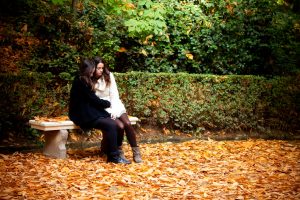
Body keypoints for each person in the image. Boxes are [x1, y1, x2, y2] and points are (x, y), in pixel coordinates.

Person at [68, 58, 130, 164]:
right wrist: (107, 104)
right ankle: (113, 157)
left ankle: (113, 154)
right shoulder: (81, 80)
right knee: (111, 125)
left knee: (112, 123)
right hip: (81, 113)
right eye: (92, 70)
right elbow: (93, 99)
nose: (94, 72)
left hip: (89, 110)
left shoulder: (85, 79)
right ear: (87, 70)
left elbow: (92, 100)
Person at [93, 56, 143, 163]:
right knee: (119, 126)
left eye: (102, 68)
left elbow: (114, 94)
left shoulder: (109, 76)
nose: (101, 70)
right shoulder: (89, 79)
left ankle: (136, 151)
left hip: (114, 104)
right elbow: (93, 99)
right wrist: (107, 111)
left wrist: (115, 110)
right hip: (102, 108)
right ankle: (118, 150)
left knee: (127, 124)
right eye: (98, 68)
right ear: (93, 68)